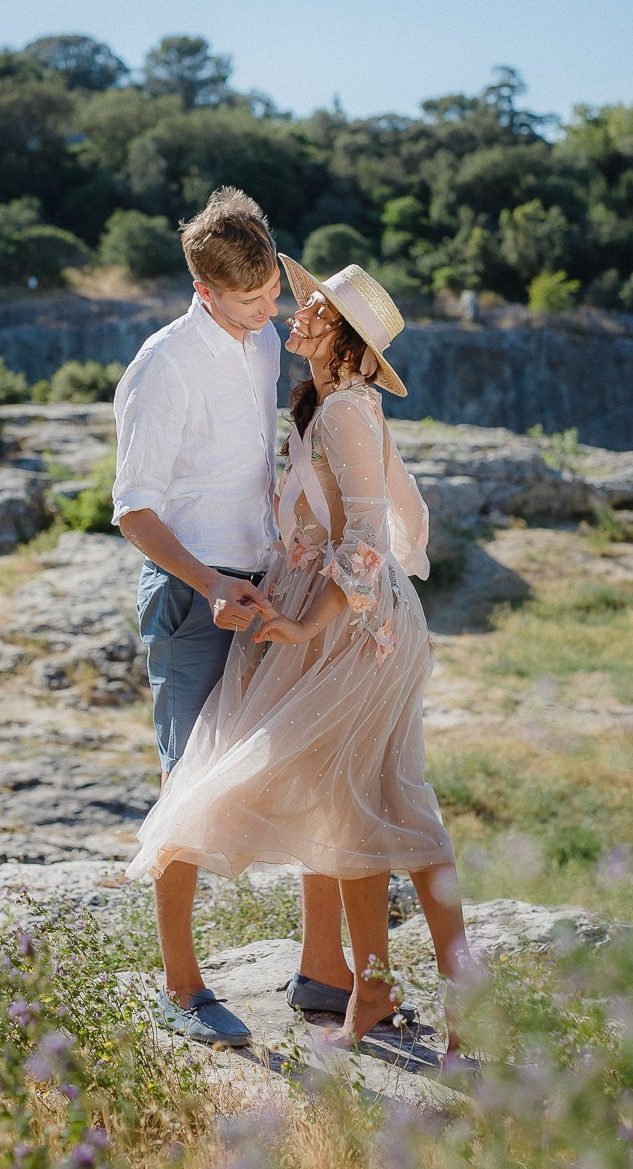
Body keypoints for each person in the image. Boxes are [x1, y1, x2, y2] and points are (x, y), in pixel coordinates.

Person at [127, 256, 475, 1054]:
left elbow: (366, 538)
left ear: (348, 340)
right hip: (328, 620)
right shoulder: (318, 403)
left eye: (316, 309)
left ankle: (461, 1000)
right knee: (351, 809)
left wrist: (308, 623)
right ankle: (370, 997)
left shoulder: (349, 409)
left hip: (355, 627)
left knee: (400, 811)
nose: (297, 312)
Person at [112, 188, 357, 1050]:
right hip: (191, 599)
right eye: (250, 302)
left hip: (271, 590)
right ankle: (182, 989)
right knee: (188, 789)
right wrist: (211, 580)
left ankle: (322, 971)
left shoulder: (259, 347)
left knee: (313, 765)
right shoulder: (161, 365)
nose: (268, 313)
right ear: (203, 289)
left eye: (272, 296)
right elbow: (134, 512)